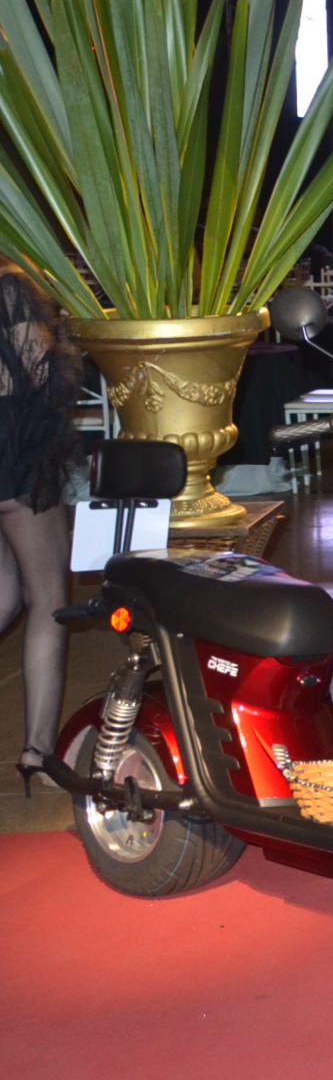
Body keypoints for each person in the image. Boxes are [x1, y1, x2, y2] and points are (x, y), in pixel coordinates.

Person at [2, 264, 84, 794]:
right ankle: (37, 750)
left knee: (4, 594)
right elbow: (39, 373)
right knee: (48, 596)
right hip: (14, 454)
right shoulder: (9, 286)